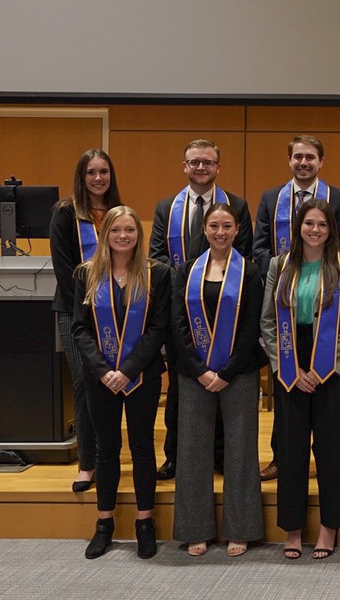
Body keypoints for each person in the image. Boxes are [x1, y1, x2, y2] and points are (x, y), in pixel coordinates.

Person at [260, 198, 340, 560]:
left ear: (330, 229)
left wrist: (325, 367)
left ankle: (329, 527)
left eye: (322, 224)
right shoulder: (279, 264)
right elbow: (268, 322)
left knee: (331, 449)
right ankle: (292, 528)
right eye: (308, 224)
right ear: (298, 227)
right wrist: (283, 365)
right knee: (291, 449)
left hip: (331, 363)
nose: (315, 230)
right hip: (290, 362)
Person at [149, 139, 254, 480]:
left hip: (227, 306)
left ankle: (220, 456)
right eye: (194, 162)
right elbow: (156, 256)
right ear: (185, 166)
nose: (201, 168)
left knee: (226, 382)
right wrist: (185, 281)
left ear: (218, 167)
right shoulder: (167, 207)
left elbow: (247, 255)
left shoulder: (236, 206)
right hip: (182, 308)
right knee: (181, 388)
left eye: (208, 162)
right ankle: (176, 456)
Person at [254, 134, 340, 482]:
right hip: (285, 305)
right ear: (289, 160)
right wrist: (286, 276)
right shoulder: (270, 198)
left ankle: (325, 467)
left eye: (310, 157)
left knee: (325, 409)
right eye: (297, 156)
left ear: (321, 161)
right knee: (287, 398)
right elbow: (259, 247)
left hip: (325, 310)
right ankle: (283, 459)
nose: (303, 162)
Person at [71, 205, 170, 559]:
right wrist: (102, 369)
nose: (123, 236)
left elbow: (158, 328)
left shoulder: (157, 274)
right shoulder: (85, 273)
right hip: (100, 379)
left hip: (142, 375)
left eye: (129, 230)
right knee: (106, 448)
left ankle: (145, 523)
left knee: (143, 448)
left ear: (137, 235)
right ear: (106, 235)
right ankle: (105, 524)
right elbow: (80, 328)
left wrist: (127, 369)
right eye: (116, 231)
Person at [171, 203, 266, 557]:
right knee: (193, 451)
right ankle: (195, 528)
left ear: (237, 229)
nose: (221, 232)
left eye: (227, 225)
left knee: (240, 452)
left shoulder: (251, 272)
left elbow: (252, 326)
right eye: (214, 225)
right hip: (194, 374)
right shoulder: (185, 272)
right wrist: (200, 369)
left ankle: (241, 528)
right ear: (205, 229)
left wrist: (226, 372)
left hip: (237, 373)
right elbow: (178, 324)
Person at [50, 149, 122, 494]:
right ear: (81, 176)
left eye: (104, 172)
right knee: (83, 380)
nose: (98, 178)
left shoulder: (116, 214)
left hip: (113, 314)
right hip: (75, 310)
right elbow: (63, 267)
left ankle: (107, 456)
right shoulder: (65, 213)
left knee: (109, 381)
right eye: (91, 172)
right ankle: (87, 462)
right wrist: (87, 303)